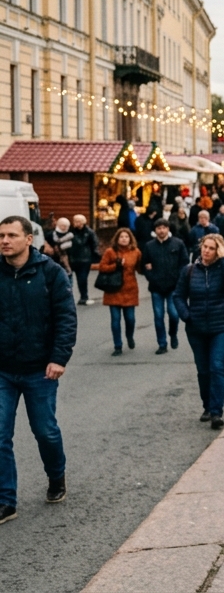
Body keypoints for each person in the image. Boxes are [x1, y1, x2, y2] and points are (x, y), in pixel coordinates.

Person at [0, 216, 76, 524]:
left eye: (11, 235)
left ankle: (56, 476)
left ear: (28, 239)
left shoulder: (51, 273)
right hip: (2, 370)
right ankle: (6, 500)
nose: (4, 240)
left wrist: (59, 358)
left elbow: (66, 318)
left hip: (40, 370)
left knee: (45, 431)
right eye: (1, 235)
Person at [173, 234, 224, 429]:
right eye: (205, 247)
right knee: (203, 370)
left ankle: (216, 412)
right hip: (196, 329)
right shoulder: (189, 271)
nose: (207, 251)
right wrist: (186, 315)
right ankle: (207, 406)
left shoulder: (223, 269)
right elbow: (178, 296)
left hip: (222, 326)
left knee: (217, 366)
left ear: (218, 251)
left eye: (212, 248)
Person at [141, 219, 187, 354]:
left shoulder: (177, 244)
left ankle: (173, 333)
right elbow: (145, 265)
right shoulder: (149, 246)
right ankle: (162, 343)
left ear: (168, 229)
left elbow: (184, 263)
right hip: (156, 287)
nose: (161, 231)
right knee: (158, 316)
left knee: (174, 314)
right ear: (155, 231)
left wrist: (178, 278)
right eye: (158, 228)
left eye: (164, 228)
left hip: (173, 286)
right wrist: (151, 277)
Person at [98, 228, 142, 356]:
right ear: (117, 239)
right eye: (121, 237)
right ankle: (118, 345)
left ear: (130, 239)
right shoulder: (110, 252)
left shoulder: (136, 252)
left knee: (130, 319)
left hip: (130, 289)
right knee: (115, 320)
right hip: (113, 289)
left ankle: (129, 336)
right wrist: (115, 266)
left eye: (126, 237)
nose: (124, 239)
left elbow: (139, 268)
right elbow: (102, 267)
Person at [67, 215, 99, 306]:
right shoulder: (70, 231)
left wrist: (94, 256)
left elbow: (94, 243)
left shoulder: (89, 232)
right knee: (69, 278)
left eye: (78, 221)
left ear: (83, 222)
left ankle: (84, 297)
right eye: (75, 221)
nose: (76, 223)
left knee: (82, 278)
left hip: (85, 259)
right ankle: (69, 298)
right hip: (72, 258)